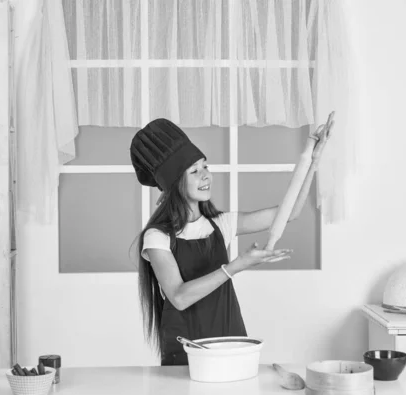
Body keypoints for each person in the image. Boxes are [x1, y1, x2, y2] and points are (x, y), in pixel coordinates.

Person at [130, 118, 330, 366]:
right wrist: (236, 266)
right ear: (173, 184)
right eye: (194, 171)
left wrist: (311, 161)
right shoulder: (157, 237)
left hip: (231, 343)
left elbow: (290, 213)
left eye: (205, 166)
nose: (206, 176)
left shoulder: (221, 223)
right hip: (186, 352)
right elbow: (180, 297)